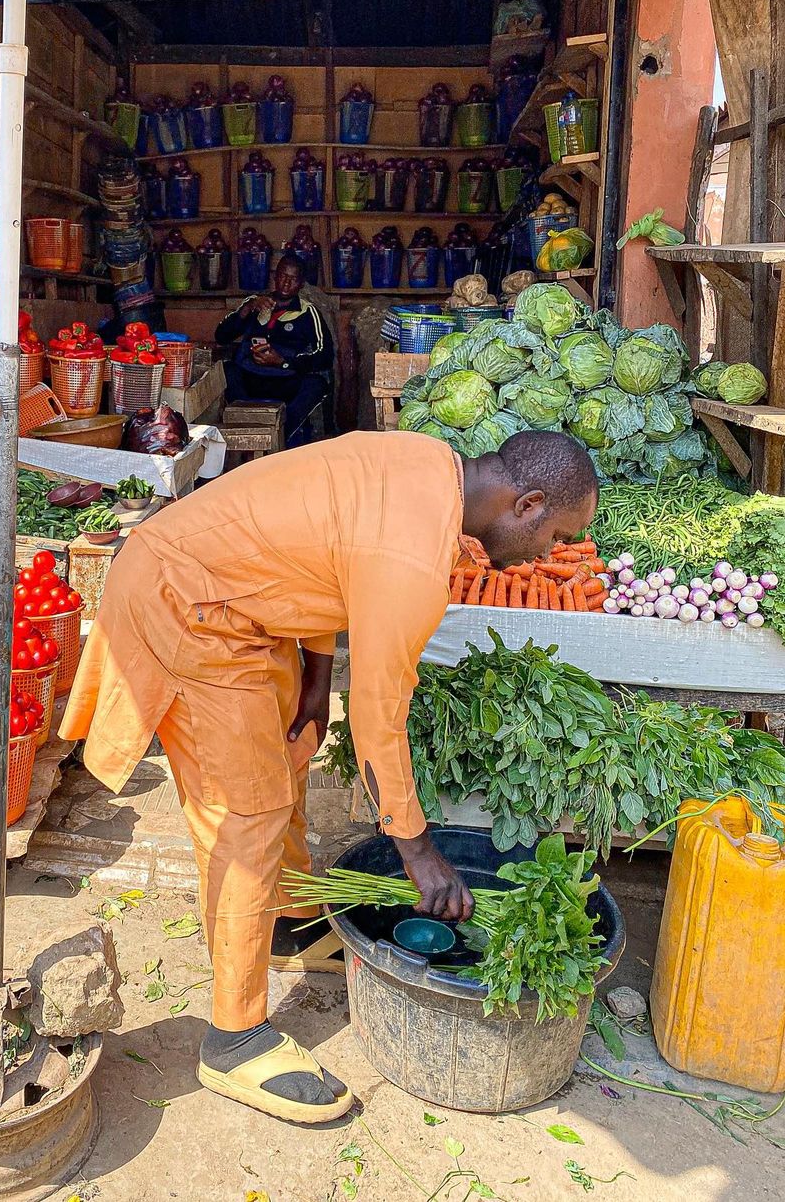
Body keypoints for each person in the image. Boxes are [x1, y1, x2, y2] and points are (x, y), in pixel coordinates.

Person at [61, 429, 598, 1126]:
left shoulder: (433, 467)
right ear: (525, 504)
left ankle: (284, 926)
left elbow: (319, 551)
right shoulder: (414, 553)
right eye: (555, 535)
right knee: (245, 816)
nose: (551, 555)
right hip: (185, 605)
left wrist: (315, 684)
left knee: (284, 760)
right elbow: (378, 722)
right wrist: (418, 852)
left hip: (237, 605)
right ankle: (234, 1038)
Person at [214, 254, 334, 447]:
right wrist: (247, 308)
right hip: (251, 379)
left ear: (301, 284)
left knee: (317, 384)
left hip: (286, 383)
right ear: (274, 277)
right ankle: (248, 431)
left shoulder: (307, 312)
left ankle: (278, 438)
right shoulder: (255, 303)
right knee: (226, 370)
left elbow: (325, 356)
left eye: (293, 279)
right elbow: (221, 336)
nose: (286, 283)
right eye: (282, 276)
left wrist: (283, 362)